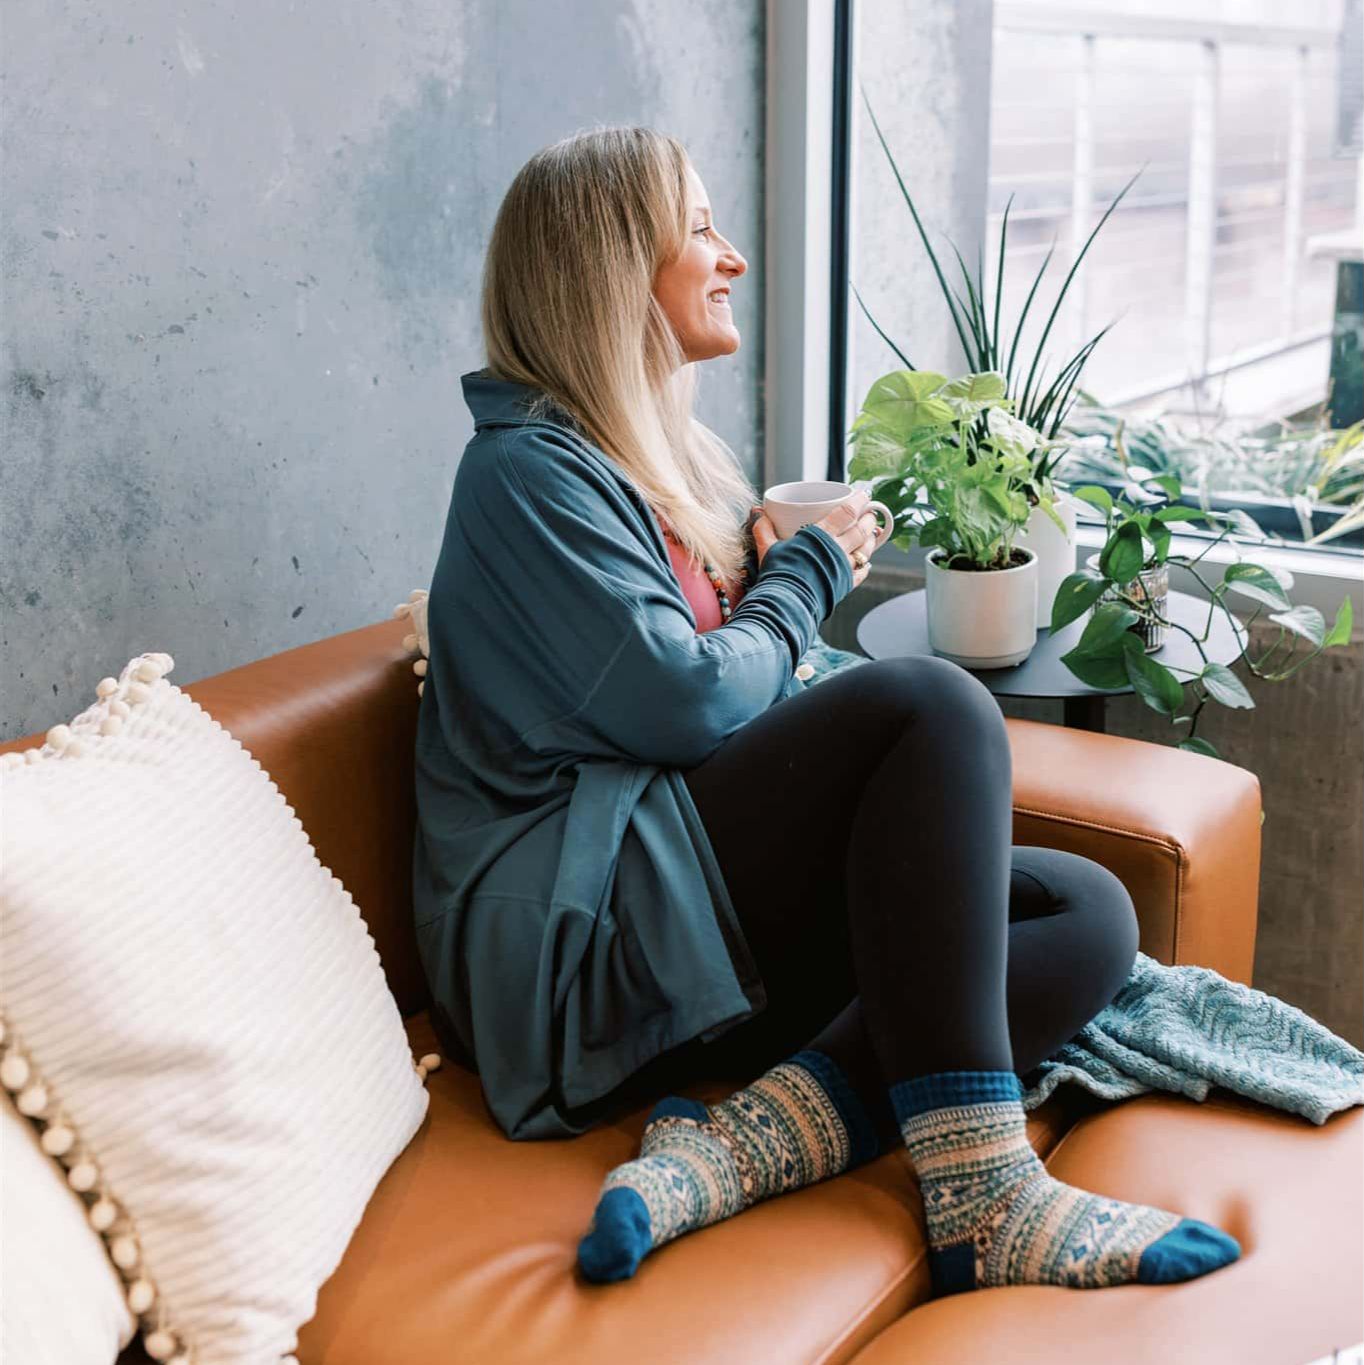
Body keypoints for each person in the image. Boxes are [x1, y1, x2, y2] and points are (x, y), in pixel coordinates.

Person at [412, 125, 1242, 1300]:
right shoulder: (520, 477)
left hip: (669, 902)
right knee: (931, 706)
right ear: (610, 268)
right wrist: (804, 581)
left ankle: (734, 1150)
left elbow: (704, 687)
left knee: (1089, 911)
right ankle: (987, 1195)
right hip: (575, 952)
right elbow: (688, 702)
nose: (732, 254)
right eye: (698, 227)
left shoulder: (651, 464)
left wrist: (766, 587)